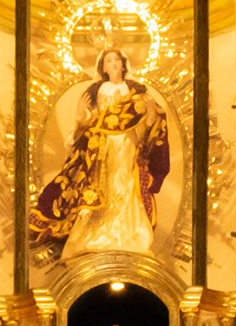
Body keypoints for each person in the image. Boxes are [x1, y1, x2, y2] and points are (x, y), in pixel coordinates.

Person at [29, 46, 170, 262]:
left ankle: (127, 237)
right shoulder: (96, 92)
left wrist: (150, 118)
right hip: (101, 150)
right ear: (103, 68)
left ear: (123, 64)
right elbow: (85, 128)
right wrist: (80, 117)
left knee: (126, 189)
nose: (113, 64)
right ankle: (95, 237)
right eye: (108, 61)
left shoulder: (137, 93)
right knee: (100, 189)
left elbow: (148, 130)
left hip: (128, 148)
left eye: (117, 60)